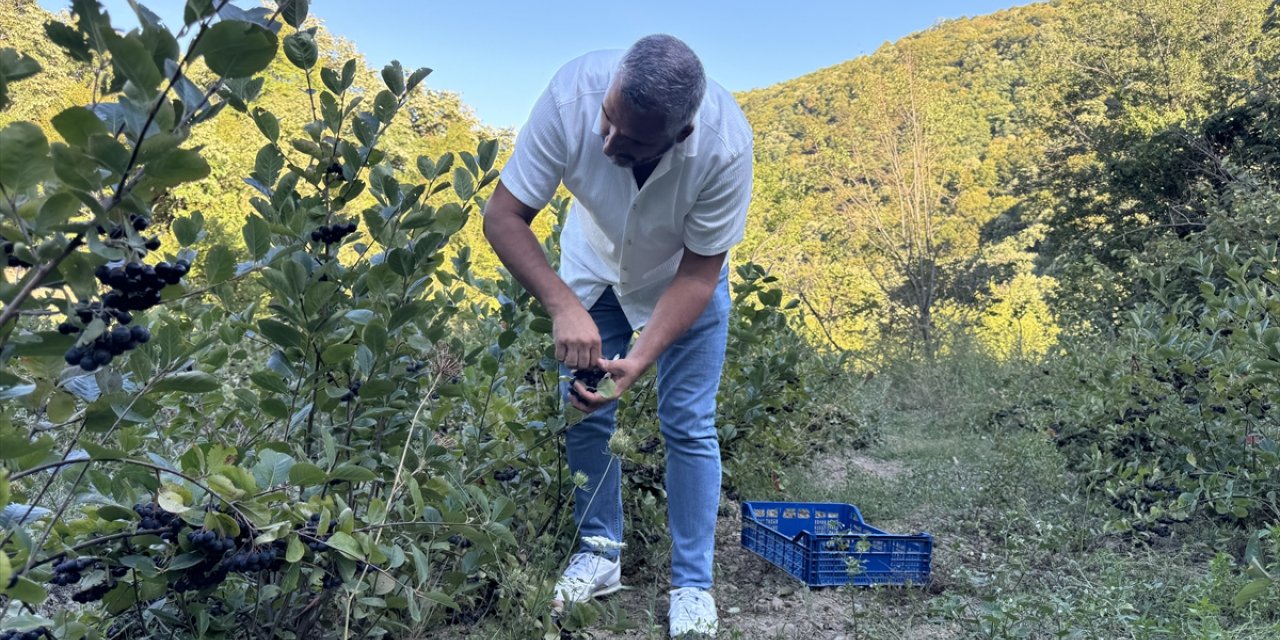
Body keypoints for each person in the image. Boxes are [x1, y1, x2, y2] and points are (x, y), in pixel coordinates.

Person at [482, 33, 753, 637]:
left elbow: (701, 271)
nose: (608, 143)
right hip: (591, 268)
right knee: (583, 409)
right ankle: (599, 552)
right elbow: (502, 217)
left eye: (630, 141)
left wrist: (643, 356)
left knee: (688, 419)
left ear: (678, 135)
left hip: (682, 277)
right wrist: (561, 304)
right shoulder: (570, 95)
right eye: (608, 121)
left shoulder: (724, 149)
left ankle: (691, 585)